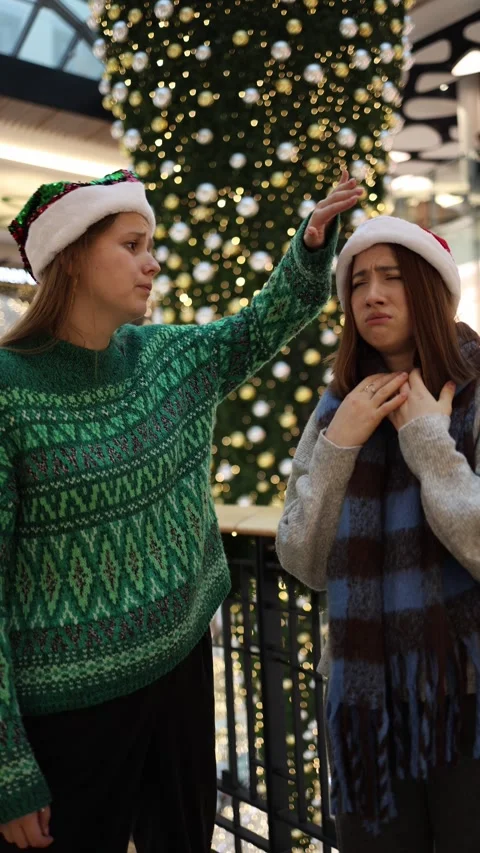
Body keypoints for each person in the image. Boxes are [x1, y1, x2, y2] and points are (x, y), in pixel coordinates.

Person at [0, 168, 362, 852]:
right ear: (70, 258)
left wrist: (312, 243)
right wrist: (8, 767)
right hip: (68, 717)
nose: (152, 262)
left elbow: (261, 326)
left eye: (152, 243)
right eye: (132, 244)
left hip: (181, 678)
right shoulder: (9, 392)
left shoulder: (170, 358)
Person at [276, 216, 480, 853]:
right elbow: (303, 559)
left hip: (466, 701)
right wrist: (340, 444)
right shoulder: (340, 406)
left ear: (431, 289)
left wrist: (428, 441)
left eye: (392, 277)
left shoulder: (475, 392)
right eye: (358, 281)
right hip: (367, 709)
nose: (372, 295)